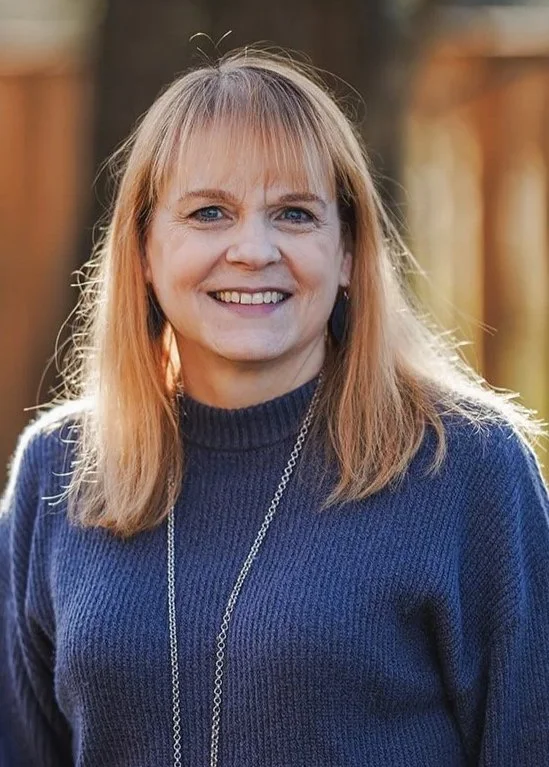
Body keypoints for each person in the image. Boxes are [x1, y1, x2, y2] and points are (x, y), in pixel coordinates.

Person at [1, 48, 548, 767]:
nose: (252, 249)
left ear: (348, 250)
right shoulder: (59, 470)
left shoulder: (465, 466)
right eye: (208, 213)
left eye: (293, 213)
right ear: (141, 250)